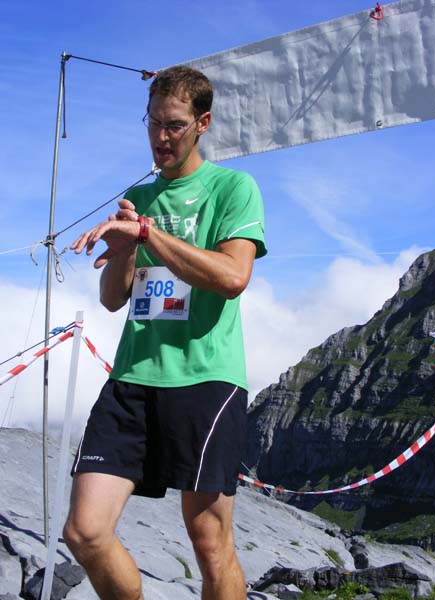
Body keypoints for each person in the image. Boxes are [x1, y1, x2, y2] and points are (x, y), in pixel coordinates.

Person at [64, 65, 267, 600]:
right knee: (84, 532)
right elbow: (113, 298)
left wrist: (149, 234)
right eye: (153, 122)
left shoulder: (233, 188)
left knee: (209, 542)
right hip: (133, 377)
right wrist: (126, 250)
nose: (160, 136)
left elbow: (233, 277)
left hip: (205, 379)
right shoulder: (139, 195)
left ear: (203, 123)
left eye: (174, 125)